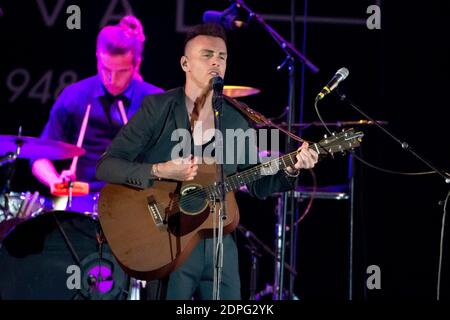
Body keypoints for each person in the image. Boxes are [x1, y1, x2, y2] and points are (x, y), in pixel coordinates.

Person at [95, 22, 318, 300]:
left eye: (222, 56)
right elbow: (106, 165)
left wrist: (293, 167)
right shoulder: (158, 108)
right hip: (167, 239)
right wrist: (159, 169)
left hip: (220, 244)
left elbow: (259, 185)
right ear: (185, 63)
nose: (216, 61)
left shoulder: (237, 119)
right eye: (207, 55)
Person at [31, 15, 164, 213]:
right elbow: (38, 157)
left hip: (136, 204)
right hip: (81, 203)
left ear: (136, 65)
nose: (111, 79)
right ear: (97, 57)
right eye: (105, 69)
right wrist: (56, 181)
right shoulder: (74, 96)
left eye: (122, 72)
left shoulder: (156, 101)